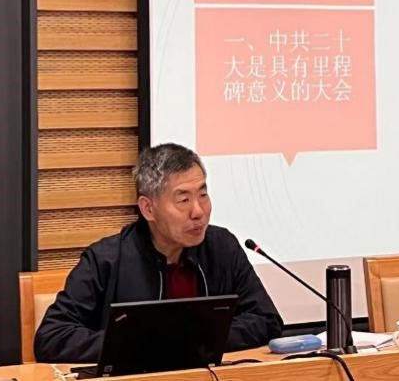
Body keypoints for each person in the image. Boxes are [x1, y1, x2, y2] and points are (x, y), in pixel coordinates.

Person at [34, 143, 284, 362]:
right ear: (148, 209)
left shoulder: (221, 247)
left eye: (203, 195)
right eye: (183, 200)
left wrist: (200, 338)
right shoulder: (106, 260)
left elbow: (266, 320)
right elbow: (52, 337)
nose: (198, 211)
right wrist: (142, 344)